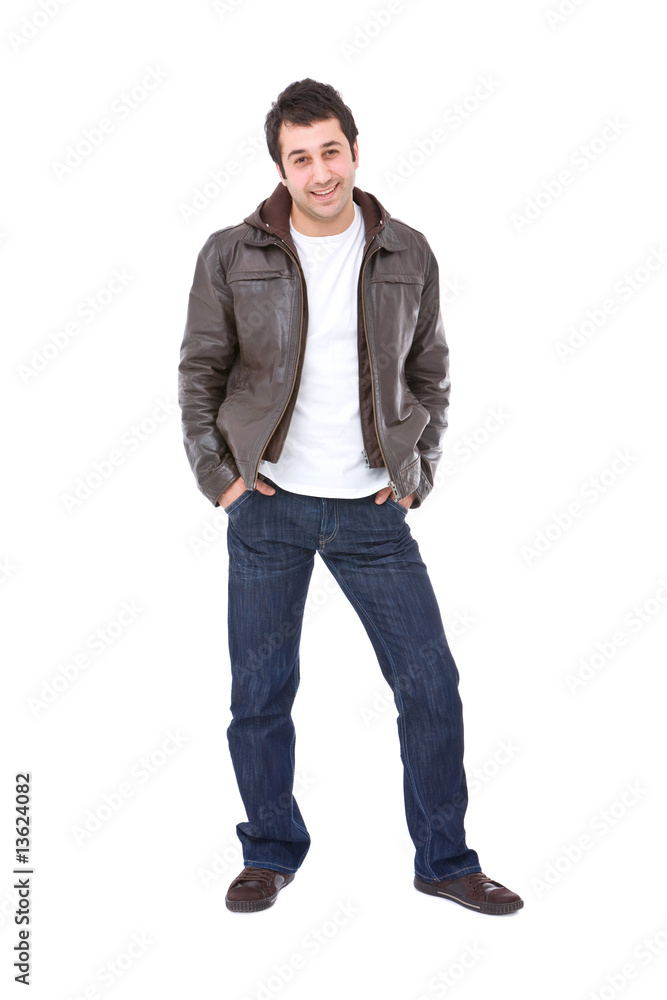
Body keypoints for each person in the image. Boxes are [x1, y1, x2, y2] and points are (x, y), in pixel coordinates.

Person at [178, 78, 523, 916]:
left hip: (373, 513)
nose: (320, 171)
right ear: (280, 168)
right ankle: (268, 853)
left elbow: (430, 374)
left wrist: (415, 476)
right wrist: (223, 482)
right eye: (300, 158)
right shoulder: (230, 254)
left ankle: (444, 861)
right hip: (267, 508)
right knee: (259, 696)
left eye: (330, 150)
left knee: (429, 687)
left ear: (355, 150)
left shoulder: (406, 251)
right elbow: (199, 373)